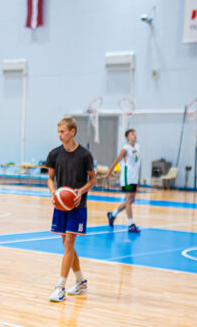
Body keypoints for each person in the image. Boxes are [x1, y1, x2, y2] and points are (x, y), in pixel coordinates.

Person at [45, 117, 96, 302]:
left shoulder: (84, 155)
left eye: (63, 131)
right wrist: (53, 193)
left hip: (77, 205)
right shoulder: (54, 154)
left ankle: (60, 287)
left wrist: (80, 192)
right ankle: (81, 281)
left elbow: (93, 180)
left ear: (72, 132)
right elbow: (50, 178)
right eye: (58, 132)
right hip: (60, 205)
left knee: (68, 244)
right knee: (67, 245)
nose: (60, 135)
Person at [102, 129, 141, 233]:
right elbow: (116, 161)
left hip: (134, 178)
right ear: (127, 137)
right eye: (132, 134)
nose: (134, 135)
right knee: (128, 200)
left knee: (131, 201)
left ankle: (112, 214)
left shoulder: (137, 147)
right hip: (127, 179)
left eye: (135, 133)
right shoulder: (125, 149)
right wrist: (108, 173)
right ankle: (131, 224)